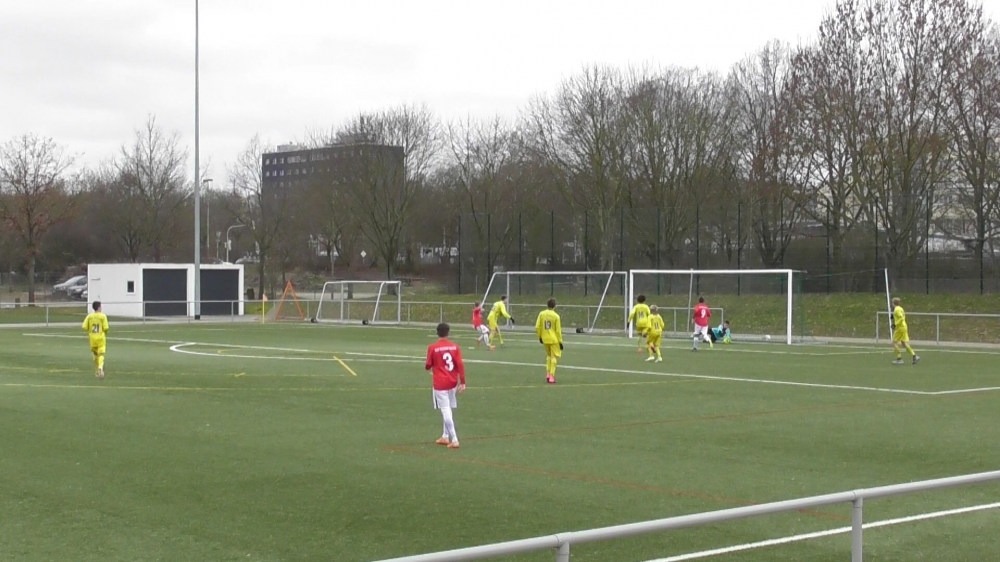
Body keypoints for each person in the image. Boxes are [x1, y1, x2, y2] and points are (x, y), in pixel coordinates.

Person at [425, 323, 466, 448]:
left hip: (440, 383)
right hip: (452, 382)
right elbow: (460, 364)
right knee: (448, 407)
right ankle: (445, 436)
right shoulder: (455, 347)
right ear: (448, 333)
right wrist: (463, 381)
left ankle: (454, 439)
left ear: (437, 333)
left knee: (445, 409)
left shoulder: (432, 347)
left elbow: (427, 365)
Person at [535, 299, 563, 384]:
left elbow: (537, 327)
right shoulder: (556, 316)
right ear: (555, 306)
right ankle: (551, 376)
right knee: (553, 357)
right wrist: (560, 342)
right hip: (554, 340)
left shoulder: (542, 314)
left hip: (545, 339)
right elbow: (558, 331)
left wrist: (540, 336)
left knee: (548, 356)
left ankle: (547, 374)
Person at [82, 300, 109, 379]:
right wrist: (105, 333)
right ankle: (100, 367)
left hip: (92, 338)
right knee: (101, 354)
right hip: (100, 338)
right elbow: (106, 328)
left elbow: (84, 326)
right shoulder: (103, 316)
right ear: (99, 307)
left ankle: (97, 371)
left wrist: (90, 331)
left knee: (95, 354)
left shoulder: (90, 316)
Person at [891, 297, 920, 365]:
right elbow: (902, 316)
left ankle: (899, 359)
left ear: (893, 303)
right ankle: (914, 356)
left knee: (894, 342)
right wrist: (894, 317)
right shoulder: (900, 308)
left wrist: (895, 324)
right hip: (904, 326)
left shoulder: (896, 309)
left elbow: (901, 318)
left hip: (900, 328)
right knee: (903, 342)